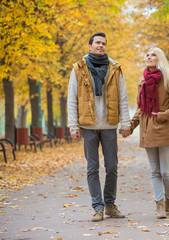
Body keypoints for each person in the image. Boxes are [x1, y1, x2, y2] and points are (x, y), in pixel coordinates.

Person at [67, 32, 131, 222]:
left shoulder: (115, 67)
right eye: (97, 43)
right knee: (92, 168)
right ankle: (98, 207)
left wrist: (125, 123)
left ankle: (110, 205)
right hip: (88, 125)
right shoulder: (78, 68)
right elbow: (72, 98)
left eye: (103, 43)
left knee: (112, 167)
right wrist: (73, 125)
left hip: (109, 124)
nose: (100, 46)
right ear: (90, 46)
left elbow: (123, 97)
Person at [127, 47, 169, 219]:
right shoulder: (141, 80)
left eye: (153, 55)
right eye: (147, 54)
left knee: (165, 172)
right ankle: (159, 206)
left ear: (160, 59)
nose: (149, 57)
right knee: (154, 171)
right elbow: (141, 107)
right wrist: (131, 125)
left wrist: (163, 115)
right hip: (147, 129)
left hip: (164, 127)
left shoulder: (168, 78)